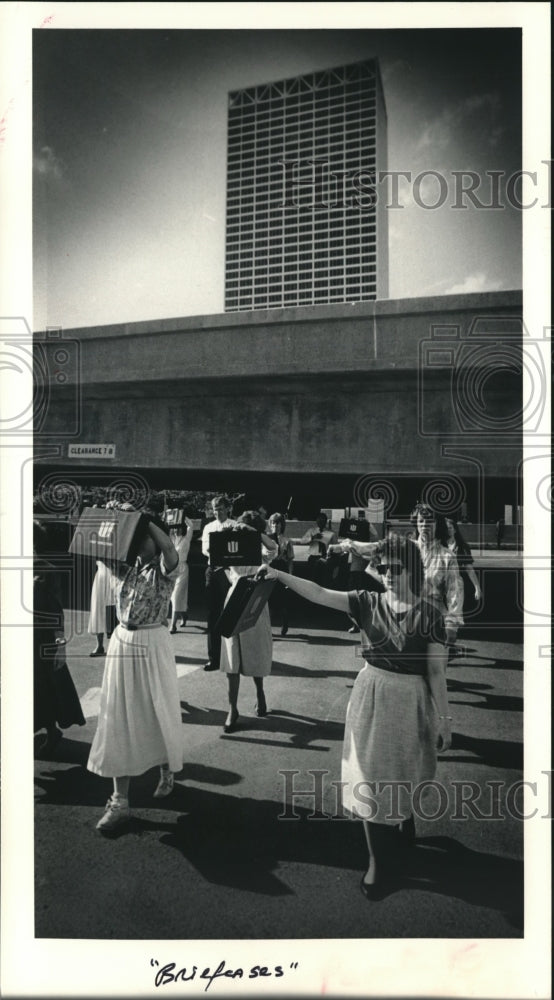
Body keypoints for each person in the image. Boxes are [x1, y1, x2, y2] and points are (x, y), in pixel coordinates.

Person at [259, 533, 451, 897]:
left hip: (410, 698)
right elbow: (317, 592)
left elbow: (437, 673)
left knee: (404, 767)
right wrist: (279, 575)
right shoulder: (366, 602)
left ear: (412, 568)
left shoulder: (430, 615)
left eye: (396, 567)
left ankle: (403, 816)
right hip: (371, 692)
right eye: (383, 567)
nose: (388, 574)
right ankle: (378, 862)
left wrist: (445, 719)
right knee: (371, 774)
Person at [87, 511, 183, 833]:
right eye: (137, 537)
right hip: (122, 642)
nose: (139, 542)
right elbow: (97, 547)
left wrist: (144, 521)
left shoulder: (165, 570)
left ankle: (167, 769)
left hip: (151, 643)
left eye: (144, 537)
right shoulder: (128, 570)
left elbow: (170, 549)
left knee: (158, 712)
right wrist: (115, 518)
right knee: (117, 716)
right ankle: (120, 802)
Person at [219, 511, 278, 733]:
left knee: (254, 652)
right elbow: (216, 556)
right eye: (240, 527)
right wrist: (226, 533)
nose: (241, 531)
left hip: (255, 599)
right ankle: (232, 709)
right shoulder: (231, 543)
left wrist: (254, 533)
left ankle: (260, 694)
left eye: (246, 528)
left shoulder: (261, 549)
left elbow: (273, 549)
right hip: (234, 598)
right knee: (231, 656)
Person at [33, 521, 85, 754]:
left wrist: (60, 646)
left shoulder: (46, 570)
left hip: (39, 640)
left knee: (43, 689)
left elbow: (55, 612)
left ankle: (51, 730)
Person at [410, 502, 464, 660]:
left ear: (436, 524)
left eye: (429, 520)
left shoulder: (447, 556)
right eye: (421, 521)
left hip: (435, 620)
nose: (425, 524)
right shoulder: (407, 550)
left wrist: (452, 625)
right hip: (408, 619)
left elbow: (455, 591)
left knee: (434, 672)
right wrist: (347, 546)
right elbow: (378, 549)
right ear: (416, 524)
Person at [201, 496, 237, 671]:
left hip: (229, 571)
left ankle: (232, 656)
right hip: (212, 570)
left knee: (230, 613)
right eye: (215, 509)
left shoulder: (235, 525)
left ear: (227, 508)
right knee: (212, 614)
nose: (217, 512)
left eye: (221, 508)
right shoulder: (209, 527)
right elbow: (206, 549)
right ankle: (213, 658)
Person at [444, 517, 482, 656]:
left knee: (453, 616)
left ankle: (449, 647)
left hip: (455, 584)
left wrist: (477, 587)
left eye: (450, 527)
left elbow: (469, 568)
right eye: (446, 528)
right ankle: (441, 646)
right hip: (438, 583)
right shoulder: (438, 544)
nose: (448, 530)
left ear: (455, 529)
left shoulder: (462, 547)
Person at [267, 511, 295, 637]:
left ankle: (285, 624)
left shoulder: (287, 541)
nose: (275, 525)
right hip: (270, 567)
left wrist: (290, 577)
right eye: (273, 523)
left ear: (282, 525)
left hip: (281, 567)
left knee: (282, 600)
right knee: (269, 599)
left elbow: (290, 560)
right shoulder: (266, 538)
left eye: (278, 523)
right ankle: (268, 628)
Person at [168, 516, 194, 633]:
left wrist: (181, 515)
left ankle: (172, 625)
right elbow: (167, 526)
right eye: (174, 528)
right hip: (172, 568)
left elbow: (191, 525)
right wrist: (172, 518)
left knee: (177, 596)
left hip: (183, 568)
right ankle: (184, 615)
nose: (175, 530)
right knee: (174, 596)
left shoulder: (186, 538)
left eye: (178, 528)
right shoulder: (171, 539)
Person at [88, 558, 117, 656]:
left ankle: (113, 647)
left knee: (113, 610)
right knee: (98, 609)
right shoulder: (99, 545)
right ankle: (99, 645)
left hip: (115, 576)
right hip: (101, 577)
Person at [300, 512, 338, 586]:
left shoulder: (331, 533)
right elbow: (302, 541)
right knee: (312, 580)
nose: (320, 522)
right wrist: (313, 538)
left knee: (324, 579)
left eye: (322, 520)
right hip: (313, 558)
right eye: (319, 520)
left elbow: (335, 547)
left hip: (325, 558)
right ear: (316, 521)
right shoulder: (312, 531)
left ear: (326, 521)